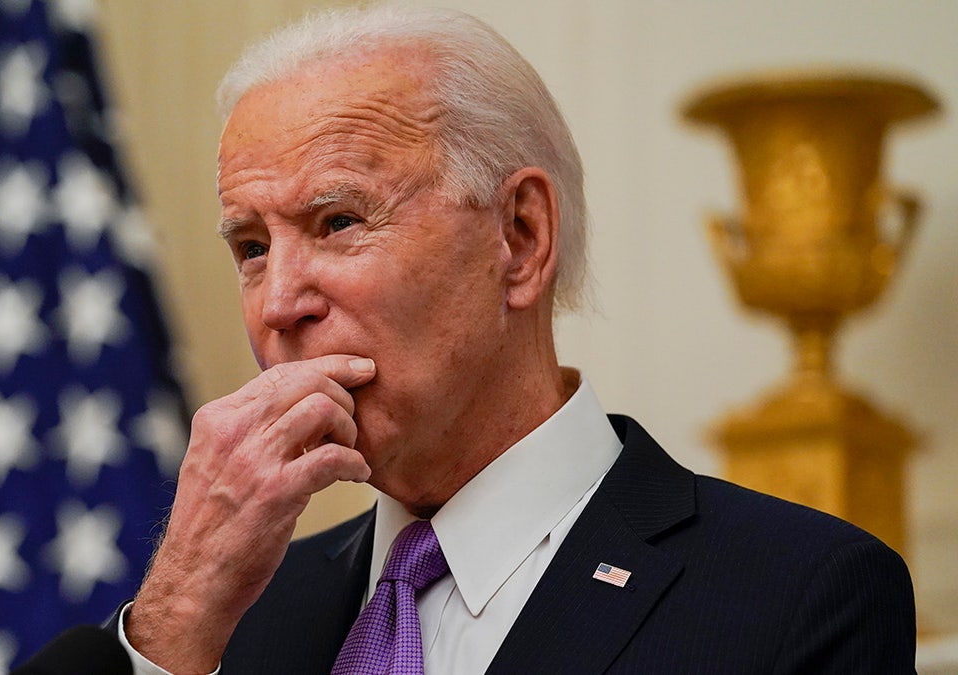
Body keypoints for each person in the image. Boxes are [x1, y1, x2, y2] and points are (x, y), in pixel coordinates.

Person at [116, 5, 916, 674]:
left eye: (338, 222)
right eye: (252, 249)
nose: (280, 302)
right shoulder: (231, 615)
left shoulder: (795, 595)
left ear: (522, 238)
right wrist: (178, 616)